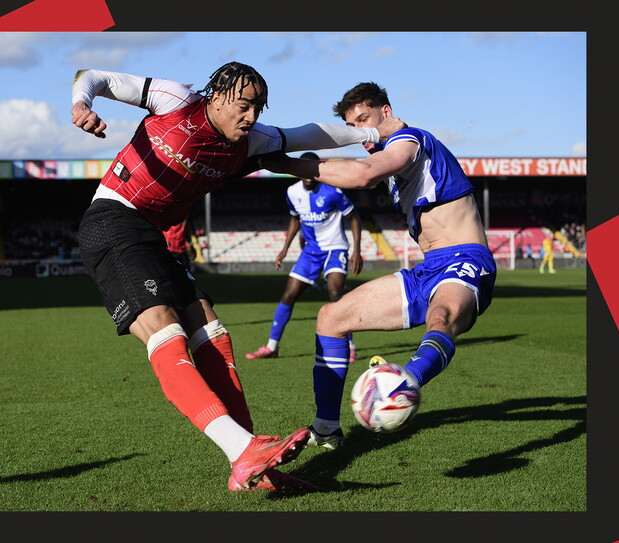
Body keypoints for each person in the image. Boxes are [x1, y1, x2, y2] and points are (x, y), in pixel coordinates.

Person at [70, 63, 404, 490]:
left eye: (258, 109)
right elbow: (94, 76)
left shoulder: (251, 142)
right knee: (165, 331)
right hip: (113, 220)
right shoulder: (175, 100)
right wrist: (82, 103)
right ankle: (242, 451)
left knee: (212, 331)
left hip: (150, 237)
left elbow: (311, 133)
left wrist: (373, 134)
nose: (251, 117)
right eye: (244, 105)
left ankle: (252, 464)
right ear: (217, 96)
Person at [260, 82, 497, 450]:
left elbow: (364, 173)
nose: (362, 133)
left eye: (365, 120)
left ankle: (406, 383)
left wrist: (288, 164)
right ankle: (325, 428)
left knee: (441, 318)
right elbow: (359, 171)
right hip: (428, 268)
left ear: (386, 112)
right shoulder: (390, 156)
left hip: (466, 259)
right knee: (330, 318)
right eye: (353, 128)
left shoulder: (411, 141)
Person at [246, 152, 363, 361]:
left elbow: (354, 218)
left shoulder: (333, 191)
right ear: (299, 170)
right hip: (311, 251)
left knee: (335, 291)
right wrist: (284, 249)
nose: (309, 175)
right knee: (289, 294)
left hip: (335, 248)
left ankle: (349, 345)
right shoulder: (292, 192)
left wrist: (357, 251)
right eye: (305, 169)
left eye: (313, 169)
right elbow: (294, 220)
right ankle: (272, 347)